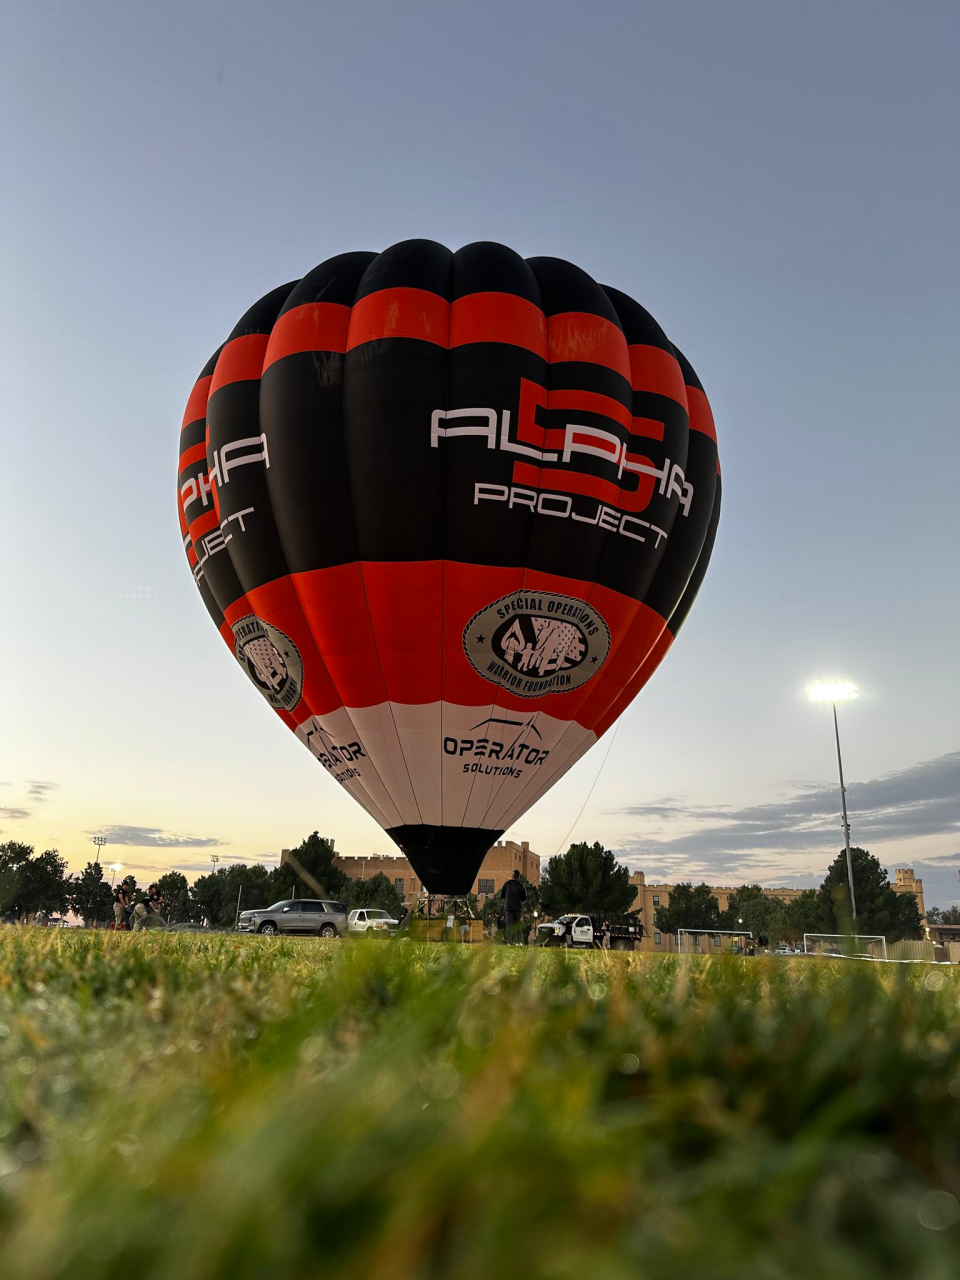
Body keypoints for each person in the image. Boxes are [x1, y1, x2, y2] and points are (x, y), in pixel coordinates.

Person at [499, 870, 526, 945]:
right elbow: (524, 898)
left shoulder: (506, 884)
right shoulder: (520, 885)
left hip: (508, 907)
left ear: (512, 875)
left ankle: (509, 942)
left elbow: (502, 895)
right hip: (517, 907)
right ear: (518, 876)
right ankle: (518, 942)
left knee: (509, 925)